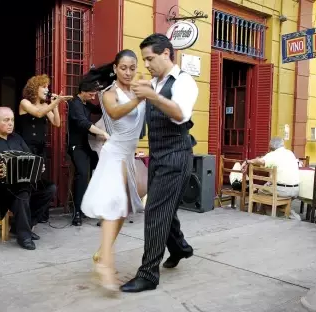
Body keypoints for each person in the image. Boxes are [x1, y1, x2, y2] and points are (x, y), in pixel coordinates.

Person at [120, 33, 199, 293]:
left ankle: (148, 275)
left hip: (177, 156)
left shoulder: (184, 82)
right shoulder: (154, 82)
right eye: (145, 59)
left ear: (166, 53)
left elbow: (179, 114)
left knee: (155, 211)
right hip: (158, 155)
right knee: (164, 209)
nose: (147, 64)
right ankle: (181, 248)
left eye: (150, 58)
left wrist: (151, 95)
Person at [80, 49, 146, 292]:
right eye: (123, 68)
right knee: (114, 208)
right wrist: (141, 98)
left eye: (132, 67)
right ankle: (105, 266)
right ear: (115, 69)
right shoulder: (109, 93)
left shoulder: (136, 89)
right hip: (114, 154)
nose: (128, 72)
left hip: (128, 154)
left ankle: (101, 254)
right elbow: (117, 113)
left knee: (124, 209)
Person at [0, 107, 57, 251]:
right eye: (6, 120)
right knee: (22, 192)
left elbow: (30, 158)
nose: (11, 123)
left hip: (18, 181)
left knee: (50, 188)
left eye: (12, 120)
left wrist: (37, 167)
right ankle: (24, 235)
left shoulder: (17, 138)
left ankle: (23, 226)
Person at [17, 74, 71, 222]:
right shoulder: (25, 103)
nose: (47, 89)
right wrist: (55, 103)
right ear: (35, 88)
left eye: (48, 86)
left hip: (40, 149)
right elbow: (38, 113)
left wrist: (55, 104)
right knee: (28, 183)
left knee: (39, 182)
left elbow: (57, 123)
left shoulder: (45, 106)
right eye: (44, 86)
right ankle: (25, 218)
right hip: (26, 148)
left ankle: (36, 215)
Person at [67, 79, 109, 226]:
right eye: (91, 94)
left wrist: (107, 95)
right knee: (83, 174)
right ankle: (77, 212)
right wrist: (103, 133)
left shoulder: (86, 103)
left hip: (88, 146)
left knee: (102, 171)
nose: (93, 97)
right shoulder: (75, 104)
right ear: (82, 92)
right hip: (76, 146)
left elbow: (99, 109)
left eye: (94, 94)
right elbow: (84, 123)